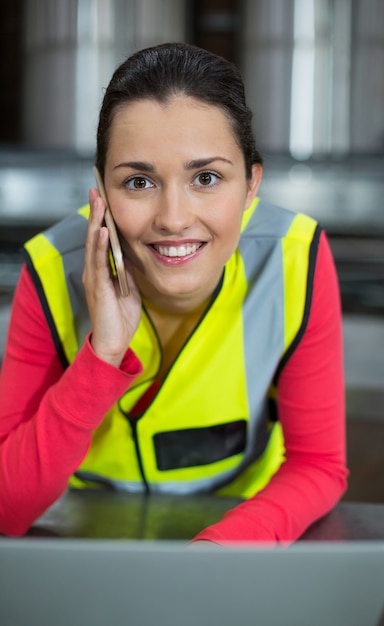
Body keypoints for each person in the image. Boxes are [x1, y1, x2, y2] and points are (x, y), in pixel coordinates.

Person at [0, 42, 347, 541]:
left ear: (251, 185)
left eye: (206, 178)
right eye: (139, 182)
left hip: (237, 523)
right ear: (99, 189)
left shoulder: (296, 259)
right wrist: (103, 355)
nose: (174, 219)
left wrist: (222, 550)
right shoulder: (52, 270)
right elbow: (8, 506)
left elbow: (319, 464)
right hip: (79, 538)